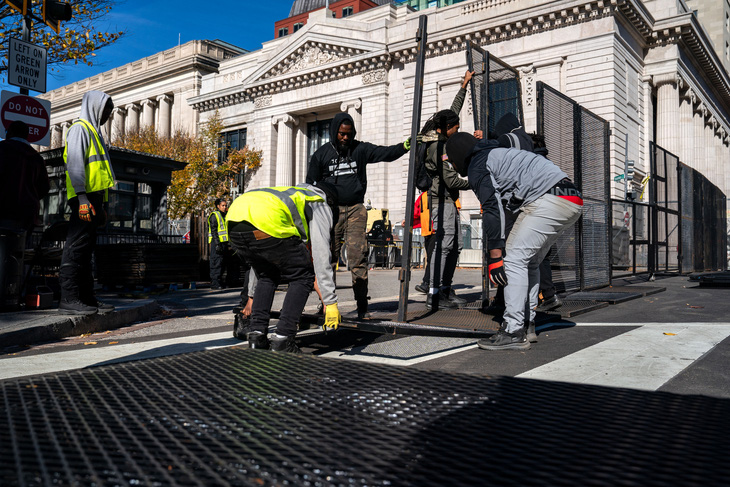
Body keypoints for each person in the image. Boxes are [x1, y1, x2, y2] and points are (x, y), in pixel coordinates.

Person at [445, 131, 583, 350]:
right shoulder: (498, 153)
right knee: (529, 262)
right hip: (571, 197)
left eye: (451, 160)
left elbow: (492, 208)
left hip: (548, 198)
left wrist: (495, 255)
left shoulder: (478, 164)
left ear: (460, 154)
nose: (452, 165)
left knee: (512, 260)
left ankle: (513, 331)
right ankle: (527, 324)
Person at [306, 113, 411, 319]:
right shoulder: (321, 154)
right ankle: (327, 304)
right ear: (335, 132)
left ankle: (362, 308)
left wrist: (405, 146)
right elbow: (310, 185)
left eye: (349, 134)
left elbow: (385, 153)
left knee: (358, 257)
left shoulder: (360, 149)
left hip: (355, 209)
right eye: (342, 134)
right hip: (331, 211)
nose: (346, 138)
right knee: (328, 259)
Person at [226, 182, 341, 353]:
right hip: (266, 223)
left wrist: (251, 295)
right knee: (303, 276)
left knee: (267, 274)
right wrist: (330, 302)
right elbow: (321, 251)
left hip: (234, 220)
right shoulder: (318, 201)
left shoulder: (288, 193)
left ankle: (257, 335)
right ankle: (283, 338)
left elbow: (257, 269)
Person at [419, 70, 474, 310]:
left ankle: (444, 288)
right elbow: (452, 181)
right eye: (456, 127)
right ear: (447, 128)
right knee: (445, 244)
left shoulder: (443, 133)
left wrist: (464, 87)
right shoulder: (439, 147)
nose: (458, 129)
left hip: (448, 200)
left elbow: (453, 112)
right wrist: (475, 181)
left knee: (456, 245)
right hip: (441, 200)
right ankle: (435, 291)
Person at [58, 91, 115, 315]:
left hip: (93, 200)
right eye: (105, 112)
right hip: (84, 198)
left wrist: (102, 206)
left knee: (85, 249)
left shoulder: (94, 133)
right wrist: (82, 198)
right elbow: (74, 165)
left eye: (109, 113)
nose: (106, 116)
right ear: (94, 108)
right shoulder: (80, 129)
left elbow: (100, 174)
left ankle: (86, 298)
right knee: (76, 247)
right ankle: (69, 298)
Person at [0, 121, 50, 308]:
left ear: (9, 132)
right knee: (20, 255)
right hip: (26, 213)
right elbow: (44, 187)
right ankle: (14, 293)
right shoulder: (35, 157)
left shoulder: (3, 149)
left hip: (3, 209)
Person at [208, 198, 230, 290]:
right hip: (216, 243)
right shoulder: (214, 215)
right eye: (223, 205)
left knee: (222, 263)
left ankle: (220, 282)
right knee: (216, 263)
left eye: (226, 205)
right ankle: (215, 283)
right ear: (218, 206)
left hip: (223, 243)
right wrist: (217, 244)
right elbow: (214, 231)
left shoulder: (224, 215)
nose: (225, 207)